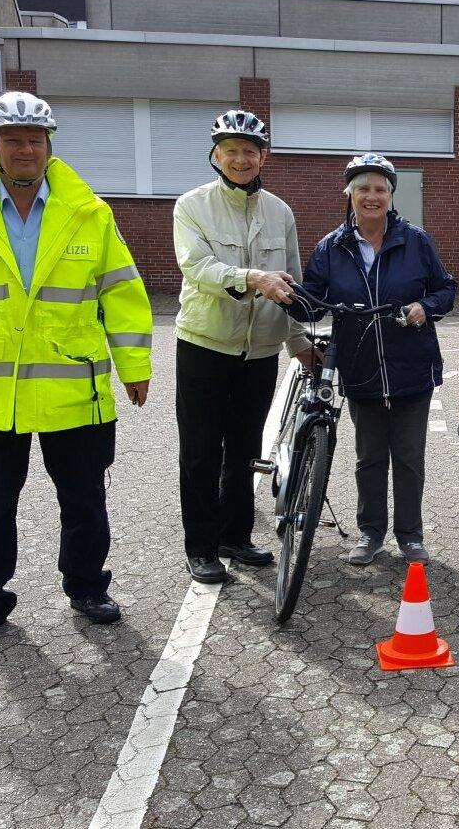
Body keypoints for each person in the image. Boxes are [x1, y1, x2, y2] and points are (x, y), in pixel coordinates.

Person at [0, 91, 153, 647]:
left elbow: (123, 292)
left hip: (74, 387)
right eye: (12, 140)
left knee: (84, 500)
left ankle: (87, 586)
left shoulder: (89, 212)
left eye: (34, 140)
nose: (25, 150)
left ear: (48, 145)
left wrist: (135, 364)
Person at [296, 153, 457, 565]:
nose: (372, 196)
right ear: (349, 194)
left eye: (380, 189)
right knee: (369, 458)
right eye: (363, 188)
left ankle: (410, 536)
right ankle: (370, 533)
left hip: (412, 368)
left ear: (391, 195)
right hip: (361, 368)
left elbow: (446, 290)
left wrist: (424, 307)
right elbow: (311, 301)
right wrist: (286, 296)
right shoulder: (331, 247)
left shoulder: (415, 240)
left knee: (408, 458)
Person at [174, 110, 310, 585]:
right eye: (230, 150)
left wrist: (298, 341)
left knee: (245, 449)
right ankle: (201, 547)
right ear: (216, 155)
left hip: (260, 352)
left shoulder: (280, 212)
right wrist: (252, 278)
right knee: (200, 452)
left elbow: (292, 283)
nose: (240, 159)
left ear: (263, 157)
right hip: (205, 345)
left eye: (249, 151)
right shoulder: (191, 205)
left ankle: (235, 536)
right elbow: (197, 268)